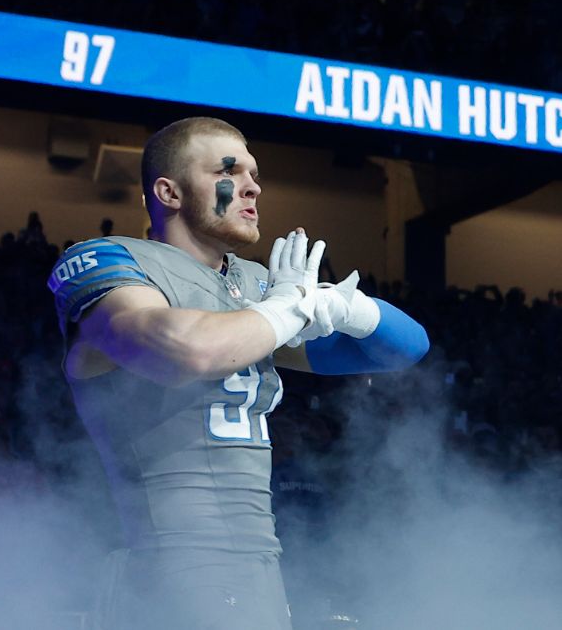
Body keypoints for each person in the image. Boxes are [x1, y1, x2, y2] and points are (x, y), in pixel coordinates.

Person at [47, 116, 429, 630]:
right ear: (169, 192)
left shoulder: (254, 285)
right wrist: (285, 310)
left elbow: (405, 349)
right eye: (228, 171)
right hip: (168, 563)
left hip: (258, 563)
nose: (253, 186)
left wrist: (347, 308)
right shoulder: (110, 259)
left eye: (254, 173)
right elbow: (183, 351)